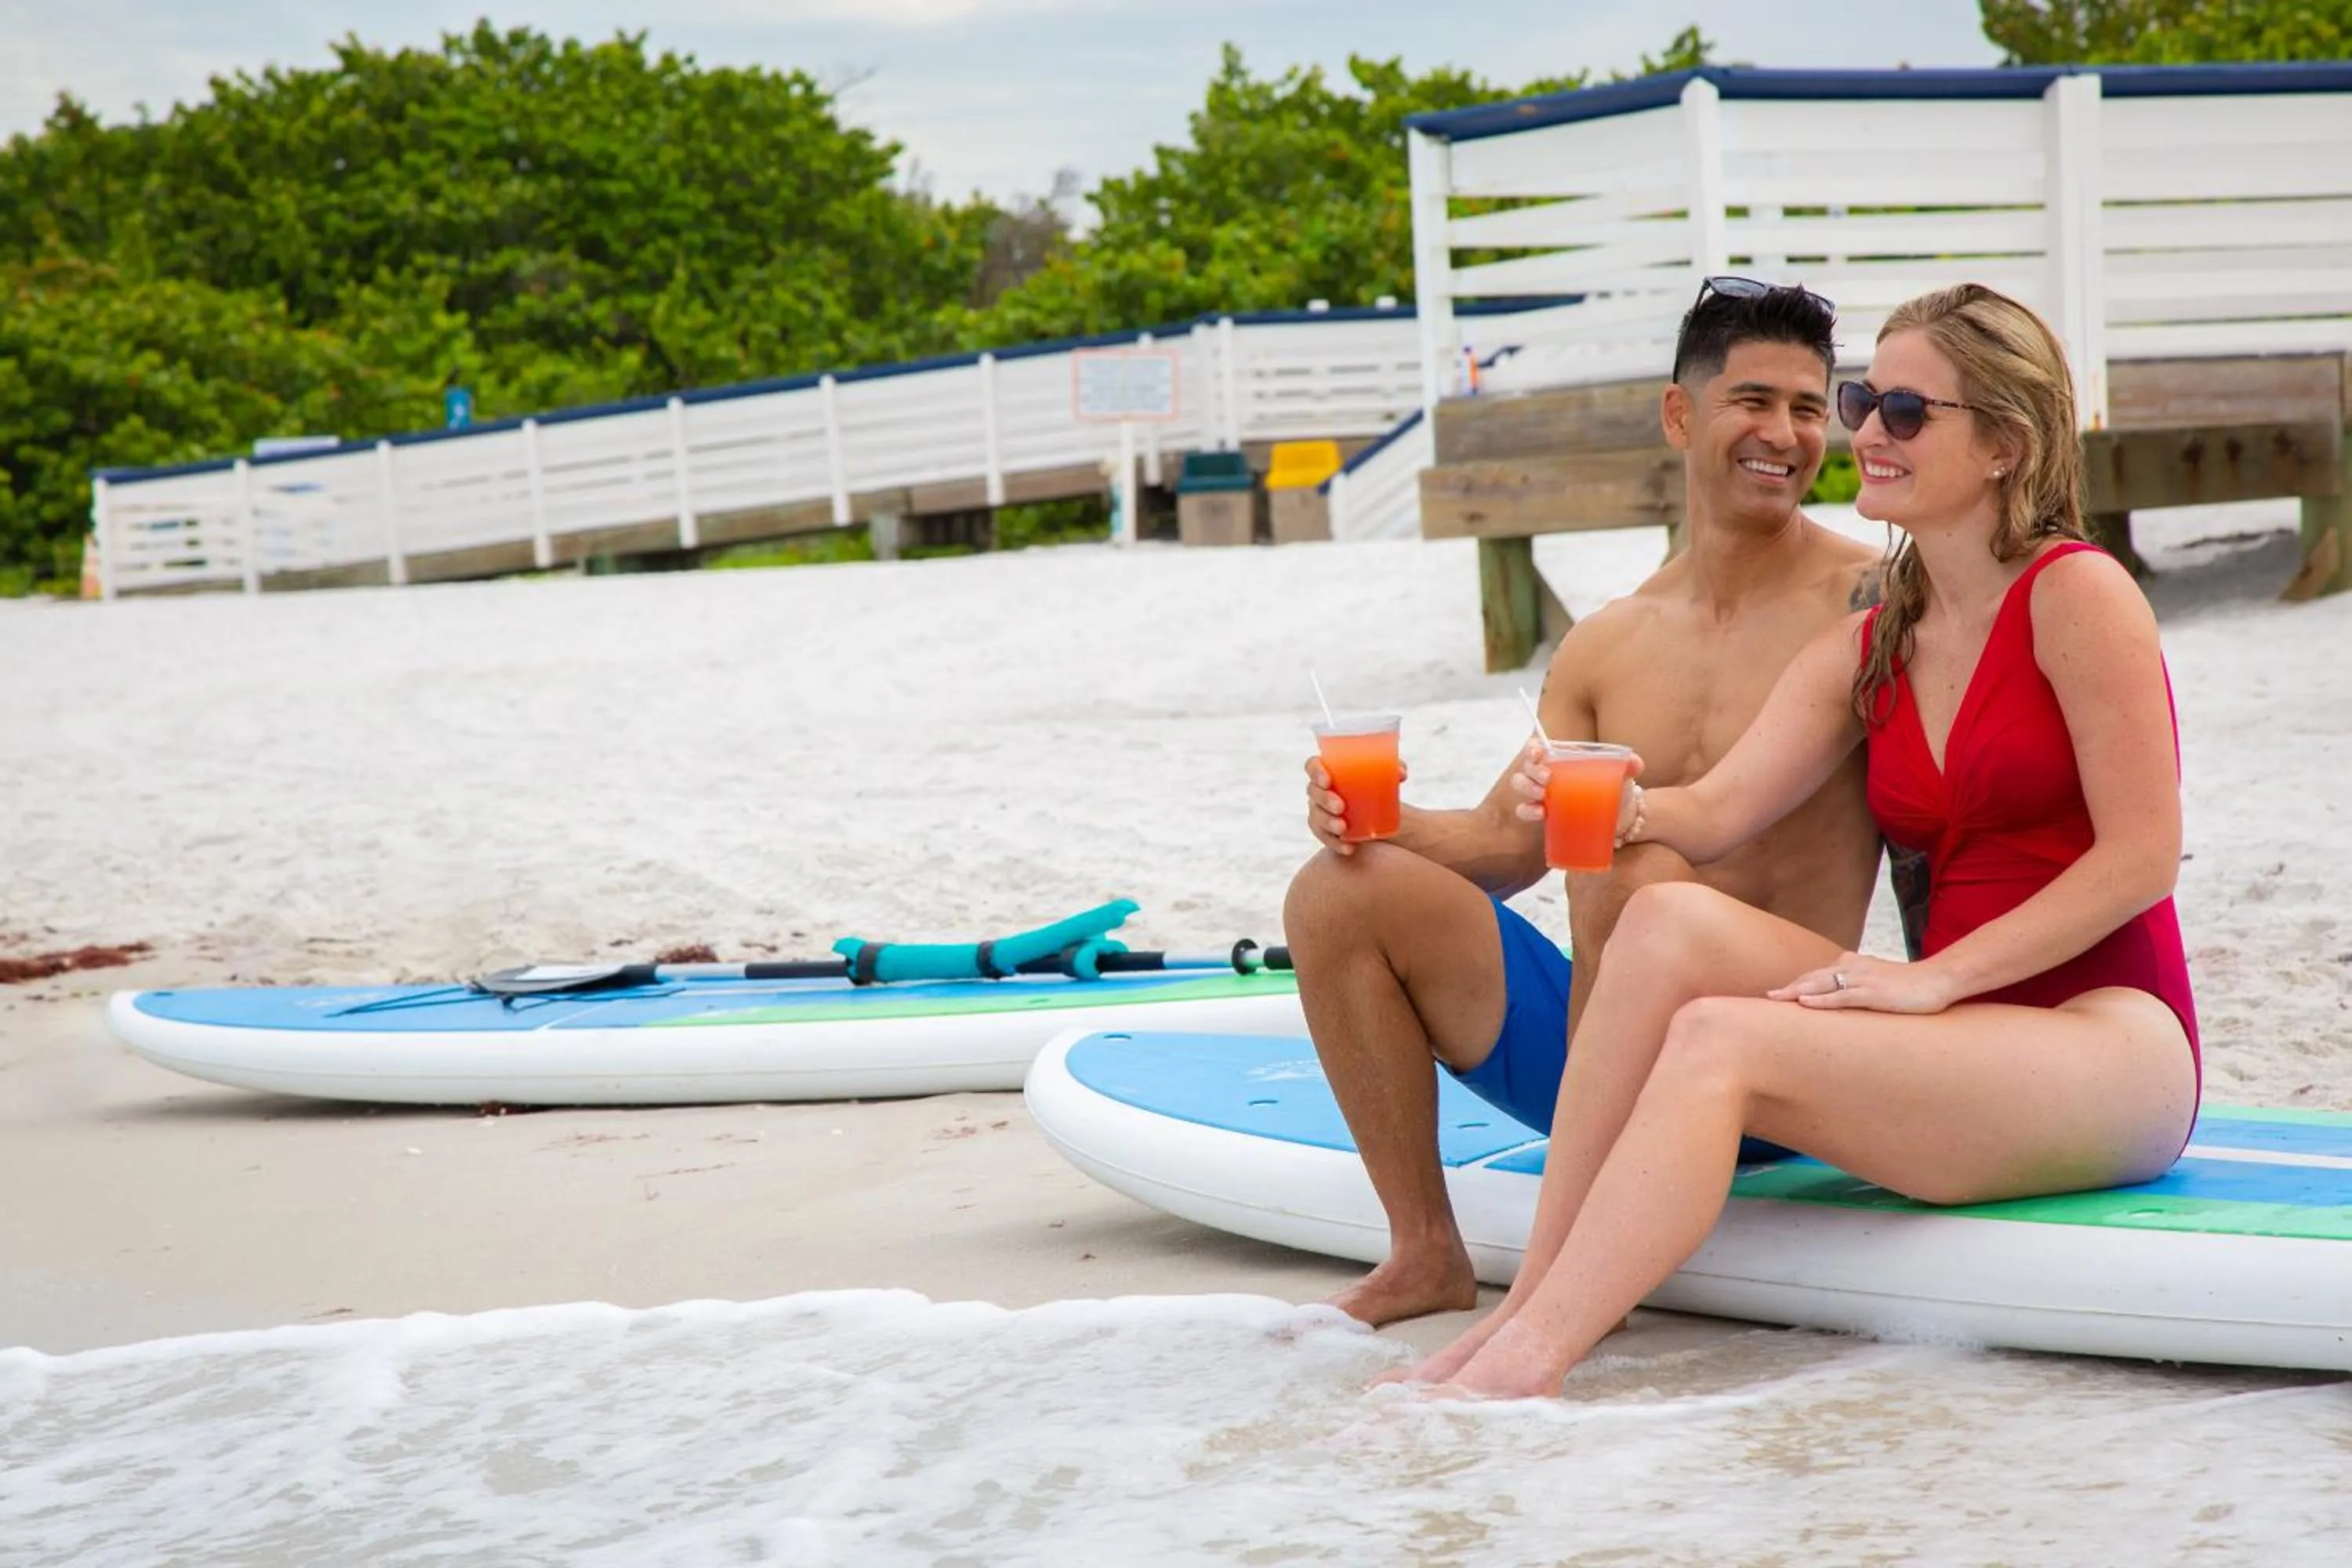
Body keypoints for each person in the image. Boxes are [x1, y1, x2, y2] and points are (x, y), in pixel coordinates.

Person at [1398, 281, 2202, 1399]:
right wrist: (1612, 801)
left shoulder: (2080, 596)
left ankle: (1524, 1365)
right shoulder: (1876, 638)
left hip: (2108, 1042)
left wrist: (1934, 981)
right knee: (1668, 913)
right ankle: (1529, 1306)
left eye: (1908, 412)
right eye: (1868, 398)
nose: (1866, 430)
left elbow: (2142, 858)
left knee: (1723, 1041)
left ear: (2007, 444)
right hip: (1962, 1025)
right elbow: (1716, 809)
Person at [1284, 278, 1915, 1329]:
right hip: (1601, 1065)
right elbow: (1502, 845)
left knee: (1639, 867)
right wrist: (1374, 816)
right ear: (1681, 415)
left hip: (1785, 1052)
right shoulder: (1608, 641)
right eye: (1753, 401)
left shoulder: (1875, 601)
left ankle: (1571, 1259)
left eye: (1810, 408)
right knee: (1337, 893)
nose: (1787, 433)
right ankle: (1425, 1252)